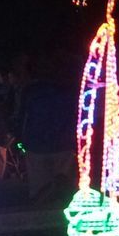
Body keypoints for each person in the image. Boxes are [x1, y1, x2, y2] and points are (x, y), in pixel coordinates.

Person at [19, 53, 76, 201]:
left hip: (36, 145)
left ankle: (39, 216)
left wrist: (21, 140)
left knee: (39, 189)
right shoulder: (67, 89)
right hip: (64, 144)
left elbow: (21, 117)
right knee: (66, 189)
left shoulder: (30, 91)